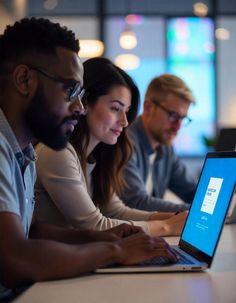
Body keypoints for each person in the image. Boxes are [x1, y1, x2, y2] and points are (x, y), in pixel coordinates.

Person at [0, 18, 178, 302]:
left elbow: (33, 231)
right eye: (70, 90)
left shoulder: (25, 153)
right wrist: (116, 251)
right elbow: (14, 259)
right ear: (24, 79)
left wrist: (102, 238)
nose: (79, 107)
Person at [34, 57, 187, 239]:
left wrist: (174, 219)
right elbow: (95, 225)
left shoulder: (96, 158)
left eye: (127, 111)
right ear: (85, 103)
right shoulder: (57, 152)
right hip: (54, 263)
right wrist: (166, 227)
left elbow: (116, 212)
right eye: (115, 108)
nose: (124, 121)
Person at [119, 74, 198, 212]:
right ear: (148, 107)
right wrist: (199, 211)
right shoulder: (124, 142)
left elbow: (191, 191)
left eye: (182, 119)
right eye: (173, 115)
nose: (177, 127)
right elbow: (136, 202)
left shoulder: (166, 149)